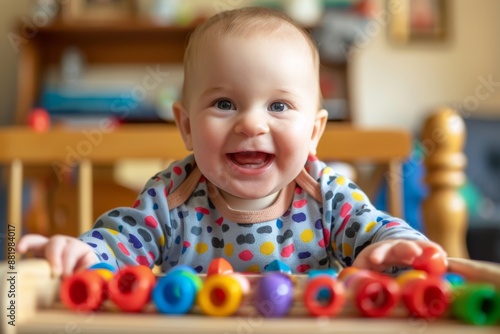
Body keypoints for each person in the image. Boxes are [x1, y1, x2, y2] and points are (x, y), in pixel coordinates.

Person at [17, 7, 446, 277]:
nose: (251, 124)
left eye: (278, 106)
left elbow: (378, 230)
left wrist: (392, 248)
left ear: (314, 132)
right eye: (224, 103)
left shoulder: (327, 196)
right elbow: (121, 242)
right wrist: (83, 254)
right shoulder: (170, 198)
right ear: (185, 127)